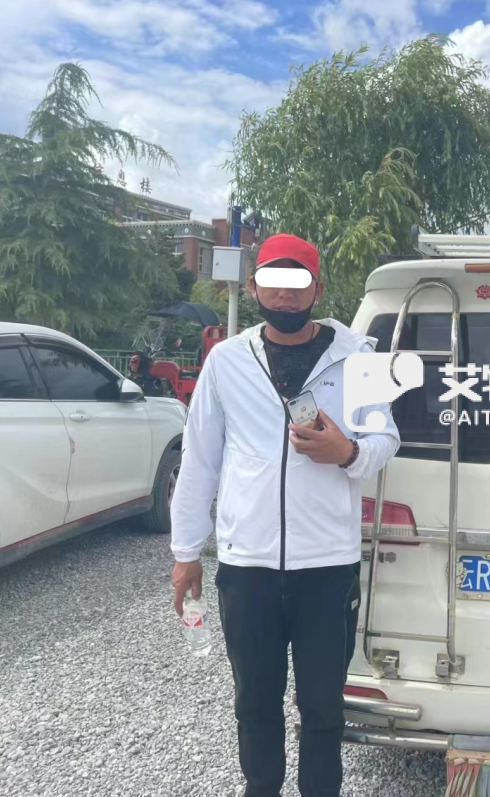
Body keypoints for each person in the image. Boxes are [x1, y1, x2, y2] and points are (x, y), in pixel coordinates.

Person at [168, 233, 401, 797]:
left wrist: (347, 452)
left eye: (299, 281)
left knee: (323, 707)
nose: (286, 293)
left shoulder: (361, 358)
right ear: (254, 287)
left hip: (327, 566)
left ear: (318, 288)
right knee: (254, 702)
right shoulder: (226, 361)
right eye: (274, 280)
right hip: (247, 566)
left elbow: (387, 438)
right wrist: (185, 552)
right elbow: (200, 459)